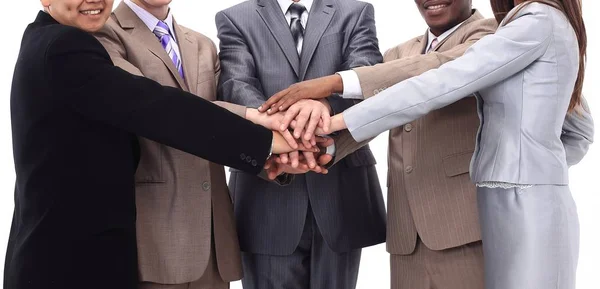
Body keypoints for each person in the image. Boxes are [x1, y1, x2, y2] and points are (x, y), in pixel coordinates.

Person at [264, 0, 594, 288]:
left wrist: (525, 172)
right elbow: (385, 112)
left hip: (471, 231)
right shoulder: (398, 54)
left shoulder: (502, 32)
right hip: (407, 239)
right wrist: (322, 148)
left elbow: (437, 76)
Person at [4, 1, 313, 289]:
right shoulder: (71, 44)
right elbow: (156, 109)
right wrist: (264, 138)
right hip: (72, 258)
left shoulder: (51, 40)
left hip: (186, 249)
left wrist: (265, 156)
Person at [93, 0, 298, 288]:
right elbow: (160, 111)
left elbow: (219, 128)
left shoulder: (202, 44)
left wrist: (265, 161)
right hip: (154, 242)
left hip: (214, 241)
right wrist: (261, 133)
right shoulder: (103, 36)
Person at [216, 0, 386, 288]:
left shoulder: (356, 11)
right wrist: (283, 136)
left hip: (341, 190)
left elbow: (366, 71)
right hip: (266, 197)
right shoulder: (234, 18)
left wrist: (323, 103)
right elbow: (235, 85)